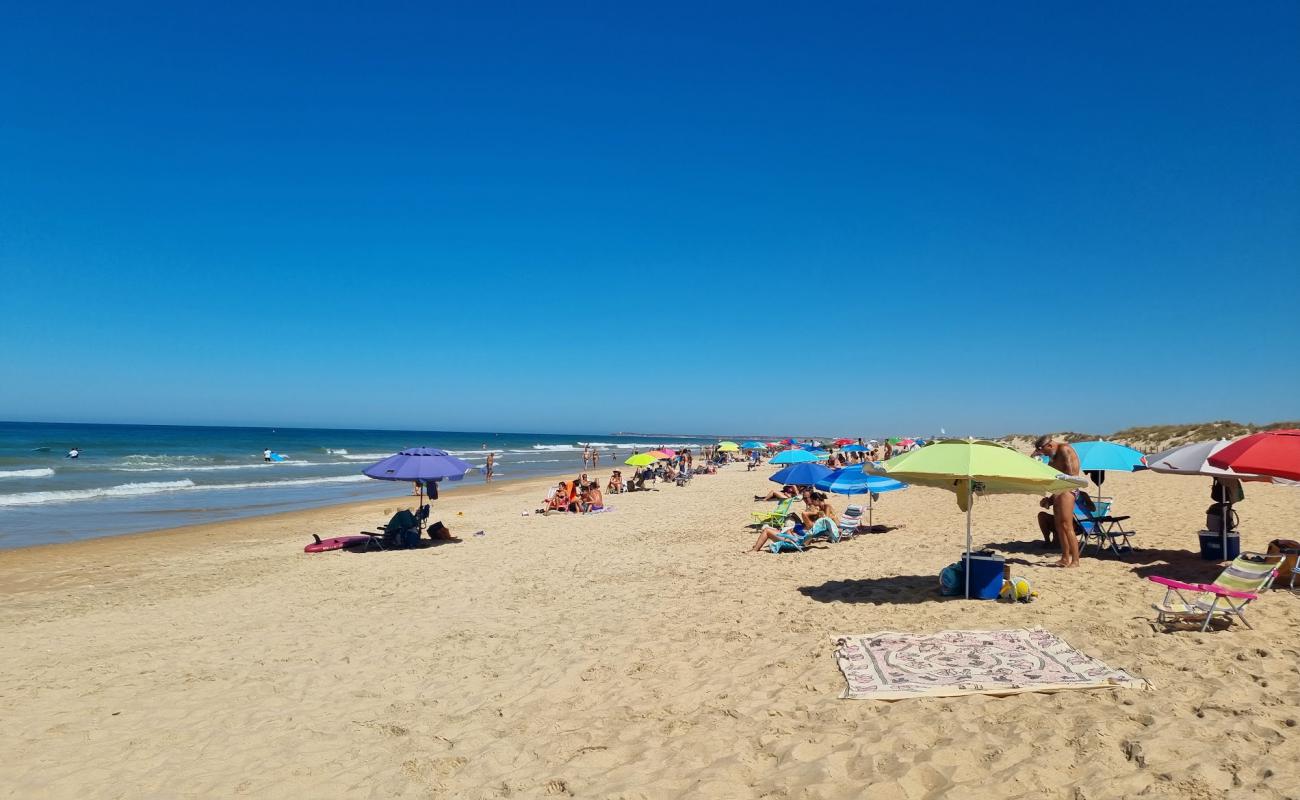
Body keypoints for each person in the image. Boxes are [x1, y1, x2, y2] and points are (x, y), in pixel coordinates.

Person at [1033, 435, 1082, 568]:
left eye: (1045, 451)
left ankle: (1075, 560)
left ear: (1050, 445)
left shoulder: (1064, 449)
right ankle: (1065, 558)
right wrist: (1050, 498)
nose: (1045, 454)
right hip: (1058, 490)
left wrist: (1056, 493)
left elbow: (1071, 474)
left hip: (1069, 487)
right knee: (1059, 526)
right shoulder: (1052, 457)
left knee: (1067, 525)